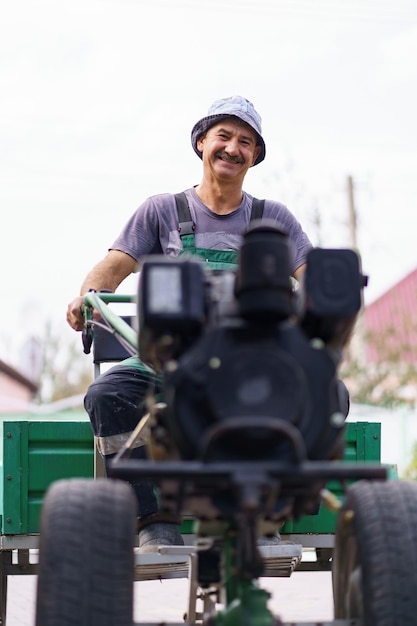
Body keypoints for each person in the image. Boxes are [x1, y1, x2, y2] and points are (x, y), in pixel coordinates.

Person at [66, 95, 314, 552]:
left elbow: (312, 277)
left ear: (255, 156)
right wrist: (86, 297)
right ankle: (154, 517)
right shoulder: (161, 211)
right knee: (108, 395)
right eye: (223, 136)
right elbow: (113, 268)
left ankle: (260, 514)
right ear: (202, 142)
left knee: (316, 391)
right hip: (166, 365)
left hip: (248, 368)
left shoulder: (273, 219)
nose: (232, 148)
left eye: (246, 141)